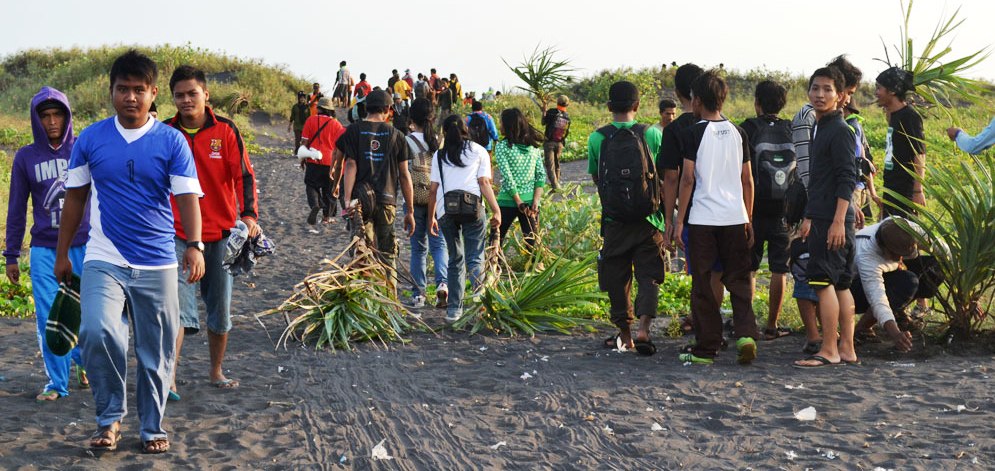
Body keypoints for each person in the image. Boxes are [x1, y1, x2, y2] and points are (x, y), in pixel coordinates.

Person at [55, 49, 205, 454]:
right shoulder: (91, 139)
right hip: (104, 257)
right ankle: (109, 419)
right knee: (95, 330)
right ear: (111, 92)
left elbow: (187, 198)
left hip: (158, 261)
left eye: (140, 89)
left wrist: (194, 245)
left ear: (154, 94)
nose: (131, 97)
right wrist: (63, 253)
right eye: (123, 89)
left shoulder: (171, 141)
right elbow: (75, 198)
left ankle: (152, 427)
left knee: (156, 349)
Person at [165, 65, 260, 397]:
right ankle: (169, 376)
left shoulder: (226, 130)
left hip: (220, 234)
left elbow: (244, 176)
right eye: (179, 95)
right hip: (176, 233)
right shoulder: (165, 133)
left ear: (206, 94)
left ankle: (216, 370)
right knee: (176, 306)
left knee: (220, 308)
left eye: (192, 93)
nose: (186, 100)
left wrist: (249, 216)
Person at [4, 87, 90, 402]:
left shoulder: (82, 148)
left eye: (57, 115)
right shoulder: (26, 157)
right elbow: (16, 208)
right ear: (35, 119)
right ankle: (57, 383)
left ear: (66, 117)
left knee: (86, 312)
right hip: (43, 248)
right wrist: (11, 254)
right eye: (45, 116)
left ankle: (83, 361)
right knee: (47, 315)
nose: (52, 122)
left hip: (84, 244)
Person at [674, 70, 759, 365]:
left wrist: (679, 221)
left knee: (703, 285)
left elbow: (687, 179)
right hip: (735, 217)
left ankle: (707, 348)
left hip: (703, 219)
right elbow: (747, 180)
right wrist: (748, 217)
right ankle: (746, 335)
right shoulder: (738, 132)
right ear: (723, 99)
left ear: (696, 100)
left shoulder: (692, 133)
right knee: (739, 280)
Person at [588, 81, 667, 355]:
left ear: (609, 106)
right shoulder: (652, 134)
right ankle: (644, 329)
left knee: (617, 278)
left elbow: (597, 177)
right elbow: (663, 175)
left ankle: (626, 335)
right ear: (637, 105)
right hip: (649, 220)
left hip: (615, 221)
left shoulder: (597, 138)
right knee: (649, 275)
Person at [793, 66, 859, 368]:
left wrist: (837, 221)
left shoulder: (840, 130)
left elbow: (847, 177)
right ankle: (847, 348)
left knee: (822, 283)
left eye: (828, 89)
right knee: (841, 284)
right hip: (824, 216)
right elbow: (822, 180)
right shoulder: (821, 127)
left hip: (832, 219)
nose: (820, 94)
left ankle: (830, 349)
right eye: (815, 88)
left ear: (841, 96)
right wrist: (809, 216)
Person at [660, 64, 722, 325]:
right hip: (724, 209)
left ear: (678, 92)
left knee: (699, 272)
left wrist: (670, 220)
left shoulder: (675, 130)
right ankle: (712, 320)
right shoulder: (724, 125)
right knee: (717, 272)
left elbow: (672, 178)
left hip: (694, 210)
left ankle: (702, 322)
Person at [337, 90, 416, 289]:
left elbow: (350, 165)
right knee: (388, 255)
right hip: (387, 200)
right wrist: (410, 211)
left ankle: (367, 294)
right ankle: (390, 298)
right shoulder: (397, 135)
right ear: (388, 109)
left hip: (360, 201)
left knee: (363, 252)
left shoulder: (354, 130)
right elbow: (404, 175)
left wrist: (347, 200)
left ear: (366, 108)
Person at [426, 115, 502, 323]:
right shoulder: (479, 151)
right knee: (475, 257)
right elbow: (484, 183)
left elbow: (433, 190)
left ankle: (454, 311)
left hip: (446, 211)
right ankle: (479, 305)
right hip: (473, 209)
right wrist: (496, 210)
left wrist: (431, 217)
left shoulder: (439, 155)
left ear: (444, 132)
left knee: (455, 259)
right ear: (465, 129)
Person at [739, 80, 793, 341]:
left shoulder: (747, 128)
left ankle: (749, 325)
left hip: (753, 209)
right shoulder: (790, 129)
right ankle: (772, 325)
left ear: (757, 102)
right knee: (779, 269)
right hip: (783, 211)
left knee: (750, 267)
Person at [851, 217, 926, 353]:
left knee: (933, 267)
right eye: (896, 255)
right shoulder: (866, 255)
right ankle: (862, 328)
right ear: (883, 248)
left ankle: (897, 312)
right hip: (852, 292)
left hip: (884, 274)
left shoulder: (905, 226)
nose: (901, 259)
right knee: (908, 281)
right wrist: (895, 334)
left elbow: (940, 247)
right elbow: (877, 299)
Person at [793, 55, 862, 189]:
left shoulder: (837, 121)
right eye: (848, 93)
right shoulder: (808, 117)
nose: (848, 100)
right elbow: (807, 172)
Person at [405, 98, 449, 309]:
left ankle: (419, 295)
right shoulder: (439, 140)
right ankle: (443, 284)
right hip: (437, 198)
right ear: (432, 117)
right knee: (439, 245)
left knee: (418, 249)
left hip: (414, 198)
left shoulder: (406, 141)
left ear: (412, 118)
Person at [494, 108, 546, 258]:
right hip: (530, 203)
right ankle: (535, 269)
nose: (500, 125)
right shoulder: (533, 147)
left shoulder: (502, 146)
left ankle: (494, 267)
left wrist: (518, 201)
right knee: (532, 243)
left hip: (508, 200)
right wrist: (535, 201)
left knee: (496, 240)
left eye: (501, 122)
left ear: (508, 126)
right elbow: (540, 175)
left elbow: (508, 178)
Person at [301, 97, 346, 225]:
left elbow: (304, 142)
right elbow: (340, 146)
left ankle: (315, 204)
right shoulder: (336, 124)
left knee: (311, 185)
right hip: (330, 161)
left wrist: (302, 158)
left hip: (313, 159)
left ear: (318, 108)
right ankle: (327, 217)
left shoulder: (310, 120)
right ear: (330, 110)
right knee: (329, 190)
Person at [541, 95, 571, 190]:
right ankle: (556, 183)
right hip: (560, 143)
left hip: (549, 142)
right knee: (557, 164)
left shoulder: (551, 112)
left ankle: (555, 186)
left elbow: (543, 122)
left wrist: (544, 111)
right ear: (567, 104)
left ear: (557, 102)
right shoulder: (567, 116)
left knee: (550, 165)